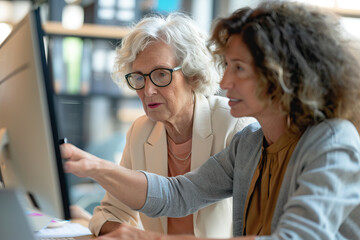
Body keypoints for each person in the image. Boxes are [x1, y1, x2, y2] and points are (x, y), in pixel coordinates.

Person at [61, 1, 360, 239]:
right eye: (227, 66)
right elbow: (178, 194)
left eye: (238, 68)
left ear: (282, 74)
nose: (225, 80)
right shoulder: (250, 145)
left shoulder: (333, 141)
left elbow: (297, 237)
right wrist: (91, 166)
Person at [85, 12, 254, 238]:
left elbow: (256, 226)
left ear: (192, 75)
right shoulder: (140, 131)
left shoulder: (234, 124)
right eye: (139, 77)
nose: (148, 90)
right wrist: (125, 232)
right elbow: (110, 211)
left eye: (161, 74)